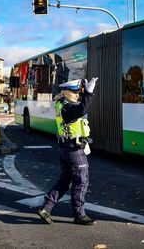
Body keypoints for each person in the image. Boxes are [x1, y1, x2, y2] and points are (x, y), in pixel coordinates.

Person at [38, 77, 98, 225]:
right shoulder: (67, 107)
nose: (77, 94)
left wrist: (85, 93)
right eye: (73, 92)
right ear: (65, 92)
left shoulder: (62, 104)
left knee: (65, 180)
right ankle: (79, 214)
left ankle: (46, 208)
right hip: (74, 150)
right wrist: (89, 93)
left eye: (78, 91)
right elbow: (80, 110)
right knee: (81, 181)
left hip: (66, 148)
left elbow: (78, 107)